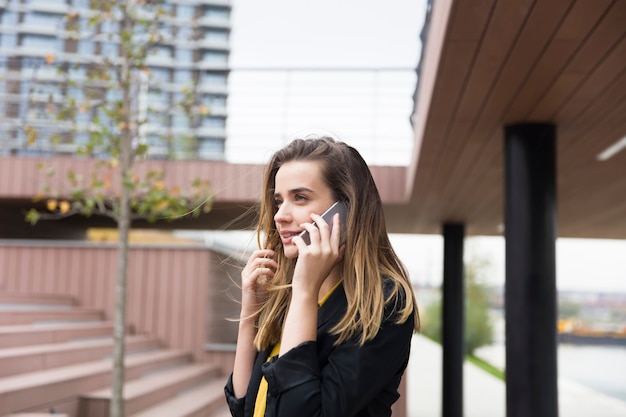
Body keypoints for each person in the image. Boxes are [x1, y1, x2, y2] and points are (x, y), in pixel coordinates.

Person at [224, 136, 419, 417]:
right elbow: (243, 407)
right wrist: (250, 314)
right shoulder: (289, 292)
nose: (280, 215)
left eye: (300, 198)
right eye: (279, 201)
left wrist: (304, 292)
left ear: (345, 209)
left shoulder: (384, 300)